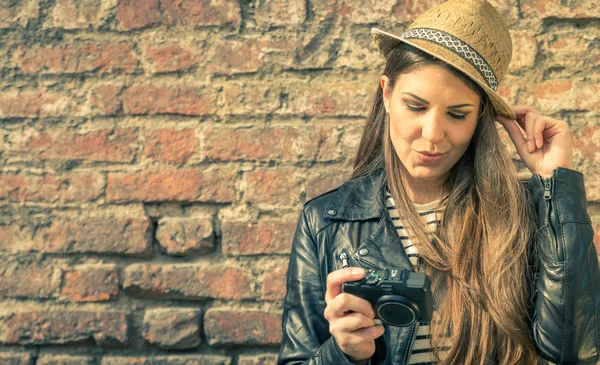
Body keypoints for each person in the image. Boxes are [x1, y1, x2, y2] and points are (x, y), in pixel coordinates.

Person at [276, 0, 600, 364]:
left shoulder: (526, 214)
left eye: (457, 114)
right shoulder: (326, 221)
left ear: (480, 116)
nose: (432, 135)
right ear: (386, 93)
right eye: (416, 106)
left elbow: (574, 351)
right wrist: (344, 353)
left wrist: (556, 185)